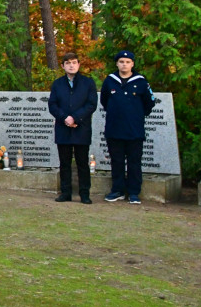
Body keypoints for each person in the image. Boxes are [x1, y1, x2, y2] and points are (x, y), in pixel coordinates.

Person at [100, 50, 156, 204]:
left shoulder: (141, 82)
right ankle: (117, 190)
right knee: (116, 161)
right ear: (117, 63)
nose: (124, 64)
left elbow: (149, 103)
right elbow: (104, 101)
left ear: (132, 64)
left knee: (134, 162)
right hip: (114, 129)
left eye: (127, 62)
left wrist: (135, 115)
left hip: (134, 130)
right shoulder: (109, 81)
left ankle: (133, 193)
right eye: (121, 62)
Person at [48, 52, 98, 204]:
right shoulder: (57, 84)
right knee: (64, 163)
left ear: (79, 65)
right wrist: (65, 118)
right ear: (63, 66)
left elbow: (91, 104)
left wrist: (75, 118)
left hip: (81, 128)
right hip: (63, 129)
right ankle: (65, 192)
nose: (71, 65)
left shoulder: (88, 83)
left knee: (82, 163)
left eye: (74, 62)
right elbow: (53, 105)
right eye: (68, 63)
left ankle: (84, 193)